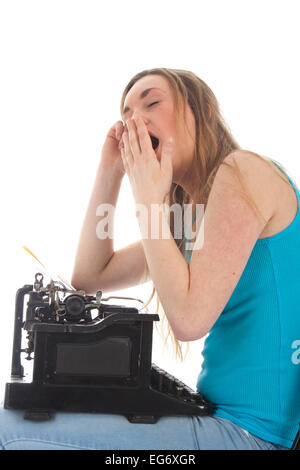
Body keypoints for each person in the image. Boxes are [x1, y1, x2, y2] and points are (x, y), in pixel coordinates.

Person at [0, 68, 298, 450]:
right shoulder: (190, 220)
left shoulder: (243, 171)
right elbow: (89, 276)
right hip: (222, 420)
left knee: (8, 431)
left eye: (152, 102)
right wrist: (111, 171)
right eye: (125, 114)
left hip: (253, 435)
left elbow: (189, 320)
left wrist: (149, 202)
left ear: (203, 111)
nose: (132, 121)